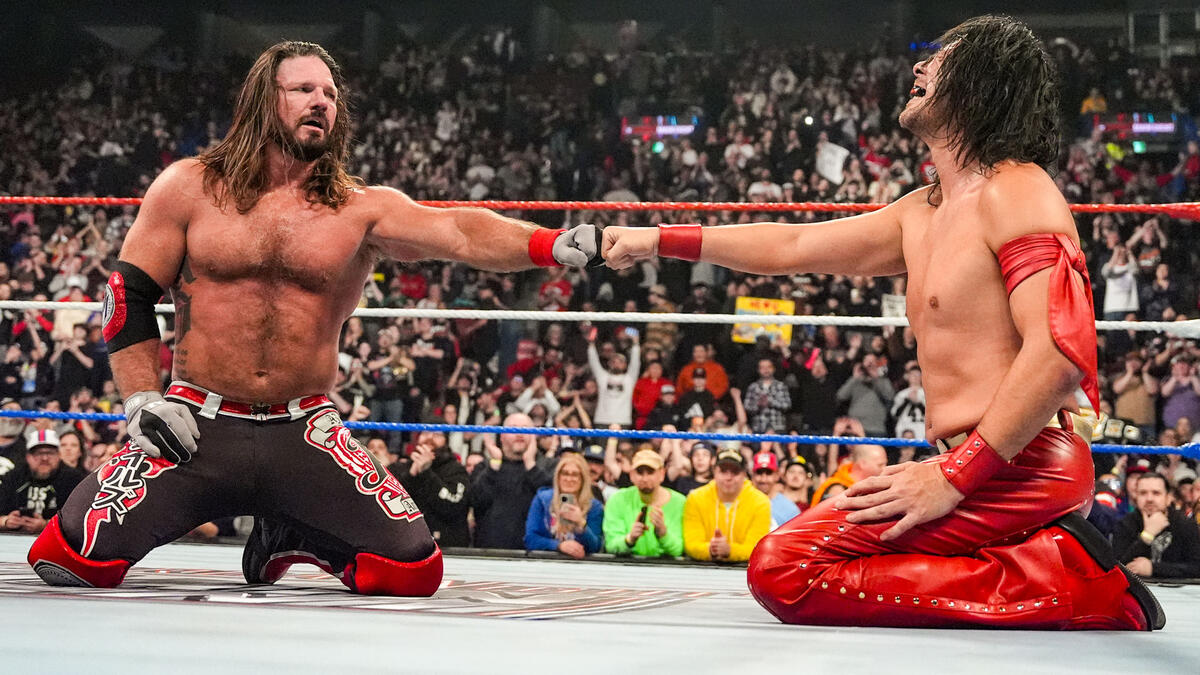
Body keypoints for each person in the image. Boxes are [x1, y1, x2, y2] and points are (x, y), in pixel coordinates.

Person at [602, 16, 1161, 629]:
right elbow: (792, 246)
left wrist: (953, 478)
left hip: (1018, 465)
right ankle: (1036, 563)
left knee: (786, 568)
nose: (919, 66)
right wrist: (657, 239)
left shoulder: (1017, 190)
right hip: (972, 465)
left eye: (939, 58)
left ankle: (1072, 586)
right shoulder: (921, 212)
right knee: (796, 564)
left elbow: (1058, 355)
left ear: (980, 81)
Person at [28, 42, 600, 595]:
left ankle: (291, 533)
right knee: (66, 559)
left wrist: (551, 243)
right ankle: (234, 512)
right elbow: (128, 293)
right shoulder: (190, 187)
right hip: (197, 425)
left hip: (304, 429)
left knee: (412, 571)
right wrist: (140, 401)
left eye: (329, 93)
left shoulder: (359, 207)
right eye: (303, 89)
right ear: (263, 100)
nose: (321, 101)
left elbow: (459, 230)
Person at [470, 413, 552, 549]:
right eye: (513, 428)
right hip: (489, 552)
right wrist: (494, 466)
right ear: (502, 436)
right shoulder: (485, 467)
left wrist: (531, 466)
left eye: (525, 429)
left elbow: (552, 505)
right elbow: (475, 501)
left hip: (535, 552)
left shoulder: (548, 466)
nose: (519, 434)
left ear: (534, 436)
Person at [682, 447, 771, 562]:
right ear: (714, 472)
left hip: (745, 569)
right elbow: (691, 544)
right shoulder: (695, 498)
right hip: (702, 568)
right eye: (723, 471)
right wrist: (712, 549)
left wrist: (730, 551)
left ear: (744, 474)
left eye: (735, 472)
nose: (729, 478)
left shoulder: (761, 502)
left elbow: (756, 547)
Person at [389, 428, 470, 548]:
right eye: (425, 433)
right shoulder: (398, 468)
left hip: (447, 546)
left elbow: (453, 506)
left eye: (437, 434)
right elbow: (388, 505)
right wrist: (411, 475)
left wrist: (426, 472)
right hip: (405, 545)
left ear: (446, 441)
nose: (430, 437)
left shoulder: (456, 470)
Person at [1112, 473, 1200, 579]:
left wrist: (1153, 568)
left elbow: (1196, 568)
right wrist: (1147, 536)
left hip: (1177, 588)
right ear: (1136, 497)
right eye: (1143, 493)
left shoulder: (1186, 524)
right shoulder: (1124, 524)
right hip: (1134, 588)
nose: (1149, 499)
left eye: (1156, 493)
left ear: (1168, 497)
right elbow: (1117, 569)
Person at [602, 449, 685, 557]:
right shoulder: (617, 500)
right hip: (628, 563)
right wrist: (630, 539)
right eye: (640, 472)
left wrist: (663, 534)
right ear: (631, 475)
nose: (645, 479)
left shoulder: (680, 502)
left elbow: (678, 550)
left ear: (662, 474)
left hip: (668, 564)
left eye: (650, 472)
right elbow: (611, 545)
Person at [0, 430, 83, 535]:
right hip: (12, 538)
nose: (44, 458)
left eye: (50, 453)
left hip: (56, 539)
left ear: (59, 455)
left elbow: (79, 521)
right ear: (28, 457)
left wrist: (46, 525)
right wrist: (6, 521)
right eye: (38, 453)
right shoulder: (13, 477)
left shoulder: (74, 479)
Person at [524, 454, 604, 559]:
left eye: (575, 475)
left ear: (583, 479)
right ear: (558, 477)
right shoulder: (542, 500)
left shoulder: (594, 506)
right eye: (565, 473)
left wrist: (581, 525)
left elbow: (595, 547)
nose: (569, 479)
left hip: (580, 564)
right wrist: (558, 546)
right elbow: (530, 539)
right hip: (546, 562)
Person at [586, 328, 639, 427]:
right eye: (614, 362)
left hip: (623, 421)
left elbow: (636, 362)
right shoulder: (603, 377)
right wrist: (591, 344)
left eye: (620, 362)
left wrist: (636, 344)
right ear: (609, 364)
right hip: (602, 420)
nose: (617, 364)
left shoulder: (629, 378)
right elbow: (593, 361)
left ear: (625, 365)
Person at [810, 443, 888, 507]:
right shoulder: (838, 489)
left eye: (885, 464)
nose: (885, 468)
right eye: (880, 465)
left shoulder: (871, 487)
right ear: (862, 464)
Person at [750, 451, 802, 530]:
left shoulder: (790, 510)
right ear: (753, 475)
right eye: (759, 473)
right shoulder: (742, 503)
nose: (763, 479)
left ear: (777, 475)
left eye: (769, 473)